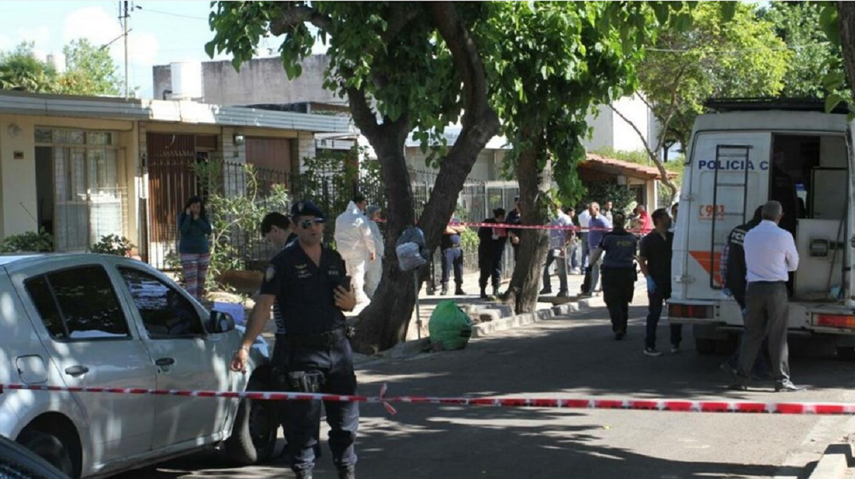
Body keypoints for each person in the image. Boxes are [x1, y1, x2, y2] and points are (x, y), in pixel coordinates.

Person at [231, 200, 358, 479]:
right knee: (302, 426)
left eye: (318, 222)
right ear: (295, 226)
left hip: (337, 351)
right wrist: (245, 346)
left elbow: (349, 299)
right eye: (306, 223)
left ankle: (347, 472)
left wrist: (351, 303)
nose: (313, 228)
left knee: (346, 424)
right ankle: (304, 473)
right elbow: (264, 306)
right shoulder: (282, 263)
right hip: (300, 354)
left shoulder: (334, 259)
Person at [730, 200, 802, 392]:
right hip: (776, 289)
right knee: (777, 335)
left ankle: (742, 378)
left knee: (751, 334)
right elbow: (794, 264)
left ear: (762, 214)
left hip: (753, 288)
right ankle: (781, 381)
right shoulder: (784, 235)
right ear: (780, 216)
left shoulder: (750, 235)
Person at [720, 206, 770, 377]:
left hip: (737, 286)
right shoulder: (757, 235)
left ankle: (754, 367)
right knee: (756, 330)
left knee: (755, 329)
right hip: (752, 287)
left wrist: (725, 282)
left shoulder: (737, 231)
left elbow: (724, 257)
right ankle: (739, 364)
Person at [638, 208, 682, 356]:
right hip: (656, 281)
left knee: (676, 313)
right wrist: (648, 278)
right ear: (658, 220)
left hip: (672, 281)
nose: (669, 219)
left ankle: (676, 342)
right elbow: (642, 260)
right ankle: (649, 345)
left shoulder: (672, 237)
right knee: (654, 313)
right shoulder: (648, 239)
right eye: (666, 217)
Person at [591, 212, 637, 340]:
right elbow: (634, 254)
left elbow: (598, 252)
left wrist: (590, 265)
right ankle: (623, 326)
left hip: (611, 272)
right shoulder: (631, 238)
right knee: (624, 300)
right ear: (623, 222)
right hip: (627, 272)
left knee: (612, 300)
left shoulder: (608, 237)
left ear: (614, 223)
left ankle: (618, 327)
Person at [334, 194, 375, 309]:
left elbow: (336, 235)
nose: (364, 207)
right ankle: (358, 297)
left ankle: (348, 295)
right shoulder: (360, 218)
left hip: (342, 250)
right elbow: (368, 236)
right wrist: (372, 250)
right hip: (357, 250)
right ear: (358, 204)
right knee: (358, 272)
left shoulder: (340, 217)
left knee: (347, 273)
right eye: (363, 204)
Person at [178, 195, 212, 301]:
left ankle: (199, 302)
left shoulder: (202, 217)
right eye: (194, 206)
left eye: (198, 207)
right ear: (189, 207)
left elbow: (208, 230)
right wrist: (188, 217)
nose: (196, 209)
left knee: (200, 281)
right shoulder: (183, 216)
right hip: (188, 252)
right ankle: (192, 303)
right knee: (191, 281)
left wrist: (198, 220)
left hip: (203, 251)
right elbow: (183, 230)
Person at [540, 205, 572, 297]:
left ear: (558, 207)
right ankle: (547, 287)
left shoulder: (565, 218)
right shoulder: (551, 217)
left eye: (553, 207)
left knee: (561, 269)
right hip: (551, 246)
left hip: (560, 247)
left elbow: (569, 231)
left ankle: (564, 290)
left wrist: (564, 246)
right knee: (543, 266)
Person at [477, 207, 508, 299]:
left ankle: (496, 290)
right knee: (485, 271)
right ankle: (482, 290)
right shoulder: (487, 222)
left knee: (496, 271)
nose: (502, 220)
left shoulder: (504, 225)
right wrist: (491, 237)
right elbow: (481, 235)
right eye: (501, 218)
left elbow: (506, 234)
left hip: (497, 252)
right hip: (486, 251)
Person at [581, 202, 611, 295]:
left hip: (600, 249)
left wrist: (604, 245)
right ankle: (591, 289)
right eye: (589, 209)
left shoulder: (602, 220)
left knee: (603, 269)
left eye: (591, 209)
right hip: (592, 248)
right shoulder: (591, 220)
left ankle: (602, 289)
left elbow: (608, 233)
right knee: (593, 270)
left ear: (597, 209)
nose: (589, 211)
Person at [440, 216, 467, 296]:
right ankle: (445, 288)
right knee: (446, 269)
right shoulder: (443, 220)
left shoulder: (457, 220)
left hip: (457, 248)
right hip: (448, 248)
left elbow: (463, 229)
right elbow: (446, 230)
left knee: (459, 269)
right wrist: (457, 229)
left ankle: (458, 288)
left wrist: (452, 227)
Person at [364, 205, 384, 300]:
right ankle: (371, 297)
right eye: (377, 213)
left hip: (375, 253)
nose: (379, 215)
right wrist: (380, 251)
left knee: (374, 276)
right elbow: (374, 241)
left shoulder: (371, 223)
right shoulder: (369, 224)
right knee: (373, 277)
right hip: (374, 253)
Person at [577, 203, 591, 269]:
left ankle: (583, 267)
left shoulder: (580, 215)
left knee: (584, 252)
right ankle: (588, 266)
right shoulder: (590, 215)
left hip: (583, 233)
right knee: (590, 251)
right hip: (590, 233)